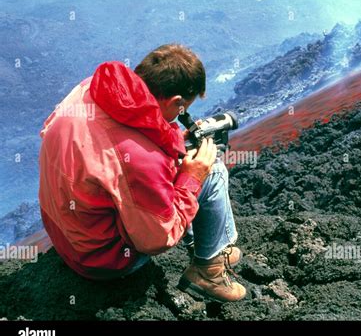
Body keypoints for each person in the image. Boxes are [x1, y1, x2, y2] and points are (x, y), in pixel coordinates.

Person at [38, 44, 246, 302]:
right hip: (102, 262)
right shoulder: (141, 159)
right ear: (177, 102)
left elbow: (106, 155)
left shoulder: (90, 88)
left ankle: (208, 243)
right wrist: (192, 176)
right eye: (183, 110)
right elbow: (157, 240)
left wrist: (171, 145)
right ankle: (207, 272)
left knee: (183, 169)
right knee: (211, 171)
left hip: (64, 235)